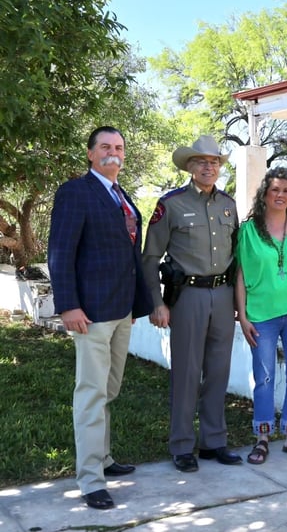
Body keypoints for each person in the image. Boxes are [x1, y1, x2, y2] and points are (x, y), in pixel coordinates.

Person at [47, 126, 153, 510]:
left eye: (119, 147)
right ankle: (90, 479)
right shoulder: (76, 192)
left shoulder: (121, 196)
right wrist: (68, 305)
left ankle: (104, 459)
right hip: (89, 313)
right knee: (91, 394)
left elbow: (128, 256)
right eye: (105, 147)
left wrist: (136, 304)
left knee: (109, 390)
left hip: (120, 310)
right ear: (91, 154)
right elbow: (60, 251)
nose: (113, 152)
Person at [142, 135, 242, 472]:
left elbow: (237, 256)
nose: (208, 166)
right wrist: (157, 303)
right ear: (189, 166)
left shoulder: (229, 204)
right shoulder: (170, 205)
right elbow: (150, 257)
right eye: (201, 161)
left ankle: (214, 441)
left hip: (223, 295)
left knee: (218, 371)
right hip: (188, 298)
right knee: (186, 372)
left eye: (213, 162)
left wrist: (240, 304)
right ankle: (182, 445)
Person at [235, 167, 287, 464]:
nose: (281, 195)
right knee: (265, 377)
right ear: (264, 195)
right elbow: (241, 275)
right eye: (275, 190)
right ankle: (261, 438)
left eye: (286, 190)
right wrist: (243, 317)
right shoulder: (248, 231)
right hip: (261, 315)